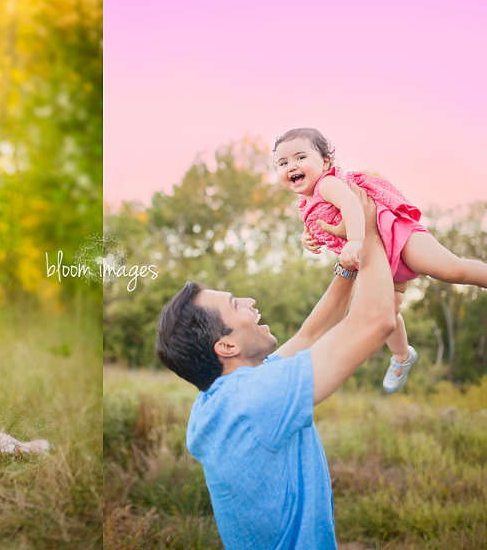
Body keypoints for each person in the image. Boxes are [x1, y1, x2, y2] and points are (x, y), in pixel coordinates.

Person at [156, 186, 396, 549]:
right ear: (227, 345)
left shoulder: (223, 396)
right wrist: (370, 231)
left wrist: (347, 268)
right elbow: (376, 320)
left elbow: (311, 334)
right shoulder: (253, 398)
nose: (251, 301)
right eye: (237, 305)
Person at [274, 127, 487, 392]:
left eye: (300, 157)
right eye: (283, 163)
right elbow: (314, 225)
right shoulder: (305, 205)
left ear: (325, 162)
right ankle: (402, 357)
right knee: (388, 311)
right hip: (377, 259)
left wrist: (354, 241)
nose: (291, 166)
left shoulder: (328, 184)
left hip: (393, 236)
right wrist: (308, 239)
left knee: (451, 270)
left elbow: (352, 205)